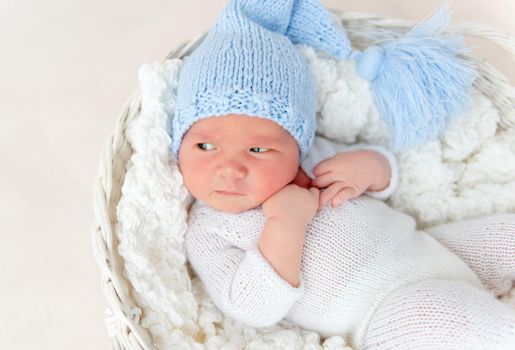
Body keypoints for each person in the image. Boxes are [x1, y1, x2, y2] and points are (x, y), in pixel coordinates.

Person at [169, 0, 515, 348]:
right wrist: (285, 225)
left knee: (507, 236)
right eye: (205, 147)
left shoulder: (312, 163)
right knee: (472, 325)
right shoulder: (208, 229)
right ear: (180, 143)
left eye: (258, 150)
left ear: (296, 145)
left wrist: (370, 167)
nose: (229, 168)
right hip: (385, 309)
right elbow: (251, 307)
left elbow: (386, 178)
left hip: (431, 249)